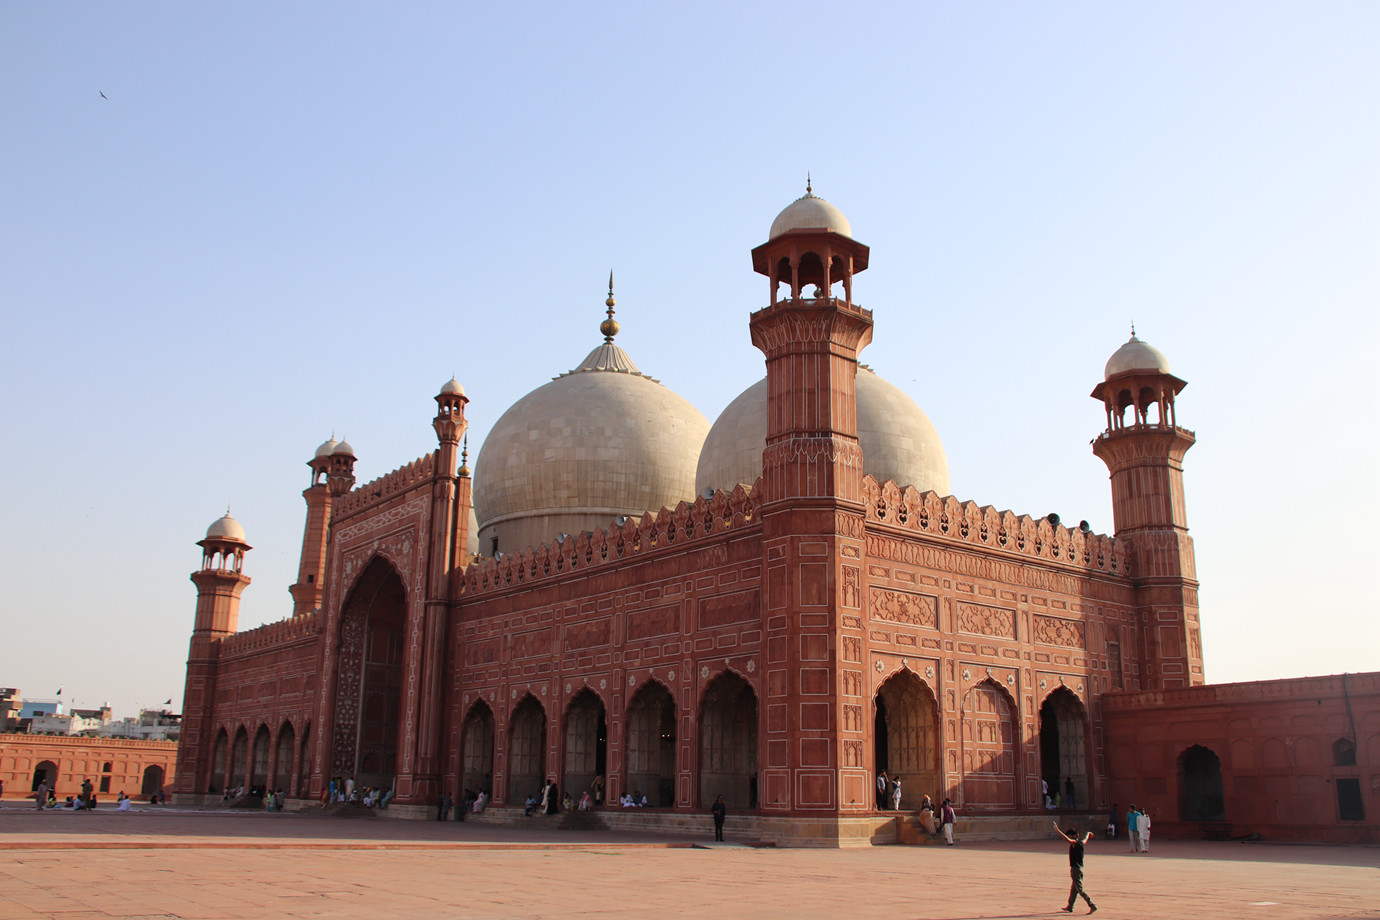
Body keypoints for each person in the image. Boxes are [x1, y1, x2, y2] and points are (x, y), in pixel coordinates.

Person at [1053, 822, 1097, 914]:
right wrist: (1089, 833)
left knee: (1080, 890)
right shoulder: (1081, 843)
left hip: (1075, 870)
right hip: (1080, 869)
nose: (1069, 837)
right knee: (1074, 890)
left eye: (1069, 836)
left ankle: (1092, 905)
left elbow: (1066, 839)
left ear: (1073, 836)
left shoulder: (1075, 843)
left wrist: (1058, 831)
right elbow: (1085, 838)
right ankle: (1070, 906)